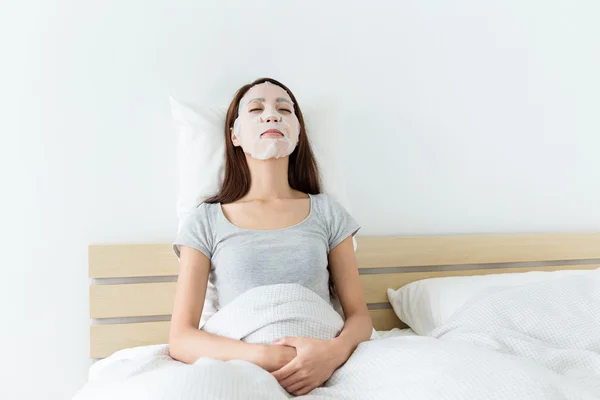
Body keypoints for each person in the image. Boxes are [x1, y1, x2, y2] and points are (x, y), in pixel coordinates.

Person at [169, 77, 372, 396]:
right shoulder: (205, 221)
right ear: (234, 135)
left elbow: (359, 317)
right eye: (255, 108)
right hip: (244, 367)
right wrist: (264, 356)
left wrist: (331, 354)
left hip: (324, 361)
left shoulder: (327, 212)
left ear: (298, 132)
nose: (272, 115)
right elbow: (181, 338)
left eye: (284, 109)